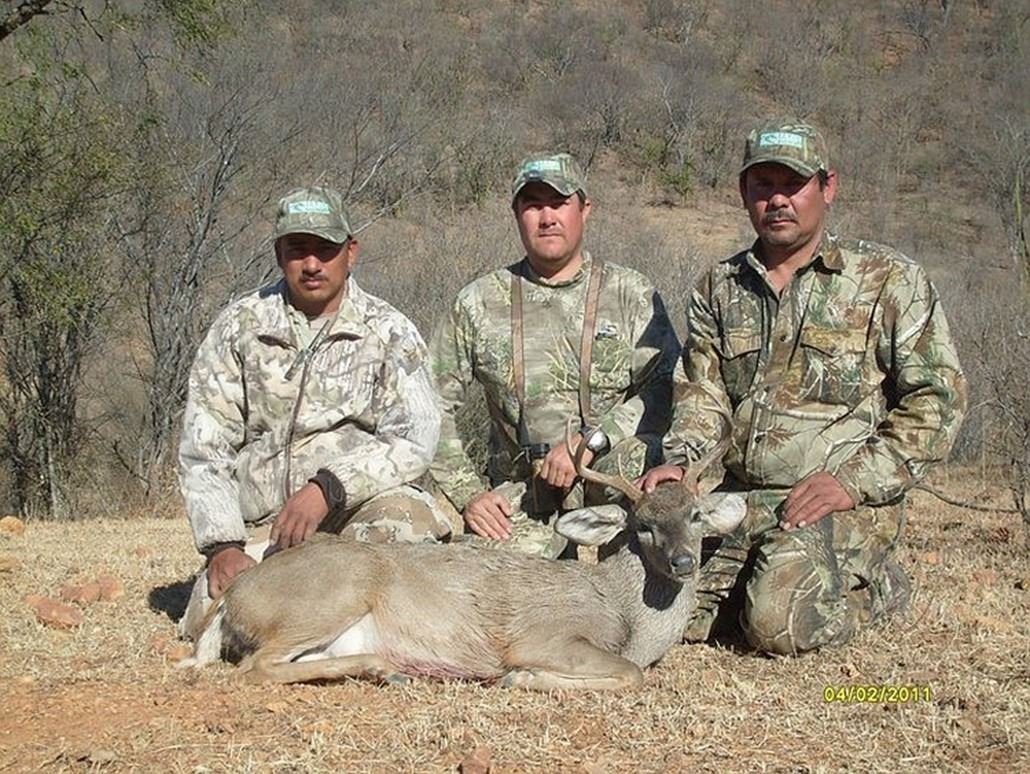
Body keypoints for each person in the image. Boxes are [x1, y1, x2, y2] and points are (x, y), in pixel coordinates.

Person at [642, 119, 967, 655]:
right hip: (740, 499)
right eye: (763, 185)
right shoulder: (717, 288)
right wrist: (683, 465)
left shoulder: (889, 279)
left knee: (776, 625)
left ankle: (878, 587)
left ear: (827, 187)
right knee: (669, 617)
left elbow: (938, 400)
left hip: (837, 504)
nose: (777, 200)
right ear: (744, 192)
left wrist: (850, 482)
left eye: (792, 184)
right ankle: (758, 581)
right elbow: (703, 395)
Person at [178, 185, 451, 638]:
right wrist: (223, 544)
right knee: (213, 622)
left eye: (325, 249)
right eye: (297, 250)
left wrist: (330, 486)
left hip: (360, 515)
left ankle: (358, 635)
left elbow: (415, 437)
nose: (311, 264)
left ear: (351, 252)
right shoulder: (238, 326)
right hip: (269, 527)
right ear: (278, 253)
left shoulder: (390, 331)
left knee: (406, 537)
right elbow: (204, 447)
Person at [430, 152, 679, 557]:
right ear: (516, 214)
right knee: (494, 583)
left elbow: (665, 388)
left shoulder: (632, 293)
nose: (547, 218)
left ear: (585, 209)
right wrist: (469, 494)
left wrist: (593, 440)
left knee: (657, 532)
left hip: (615, 487)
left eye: (559, 203)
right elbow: (431, 404)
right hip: (525, 494)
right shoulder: (477, 302)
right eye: (533, 205)